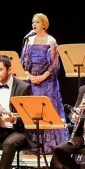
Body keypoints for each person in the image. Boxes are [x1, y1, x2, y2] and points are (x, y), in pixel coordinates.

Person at [21, 13, 68, 153]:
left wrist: (42, 77)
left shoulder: (51, 40)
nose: (34, 24)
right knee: (34, 113)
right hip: (32, 81)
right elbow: (23, 61)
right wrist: (29, 75)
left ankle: (51, 146)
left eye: (37, 22)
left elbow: (54, 65)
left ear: (44, 24)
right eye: (32, 22)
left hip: (47, 82)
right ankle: (36, 145)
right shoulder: (28, 40)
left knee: (48, 111)